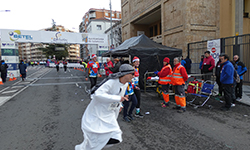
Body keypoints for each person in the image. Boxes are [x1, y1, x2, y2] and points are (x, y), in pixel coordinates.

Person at [75, 64, 135, 150]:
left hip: (109, 113)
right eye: (132, 74)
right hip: (98, 111)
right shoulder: (111, 82)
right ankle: (89, 147)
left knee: (116, 136)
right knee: (95, 133)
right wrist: (117, 98)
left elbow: (120, 96)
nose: (134, 76)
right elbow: (98, 94)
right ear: (126, 74)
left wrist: (120, 104)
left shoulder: (125, 84)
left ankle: (96, 146)